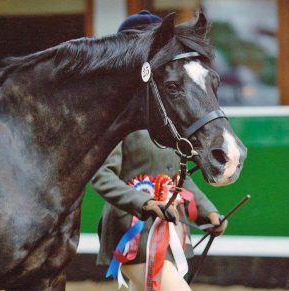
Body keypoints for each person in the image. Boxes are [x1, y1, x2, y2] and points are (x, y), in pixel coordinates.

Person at [91, 11, 227, 291]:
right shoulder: (118, 120)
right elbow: (103, 176)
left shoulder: (169, 123)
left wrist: (208, 213)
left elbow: (177, 177)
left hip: (171, 234)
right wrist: (144, 204)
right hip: (133, 236)